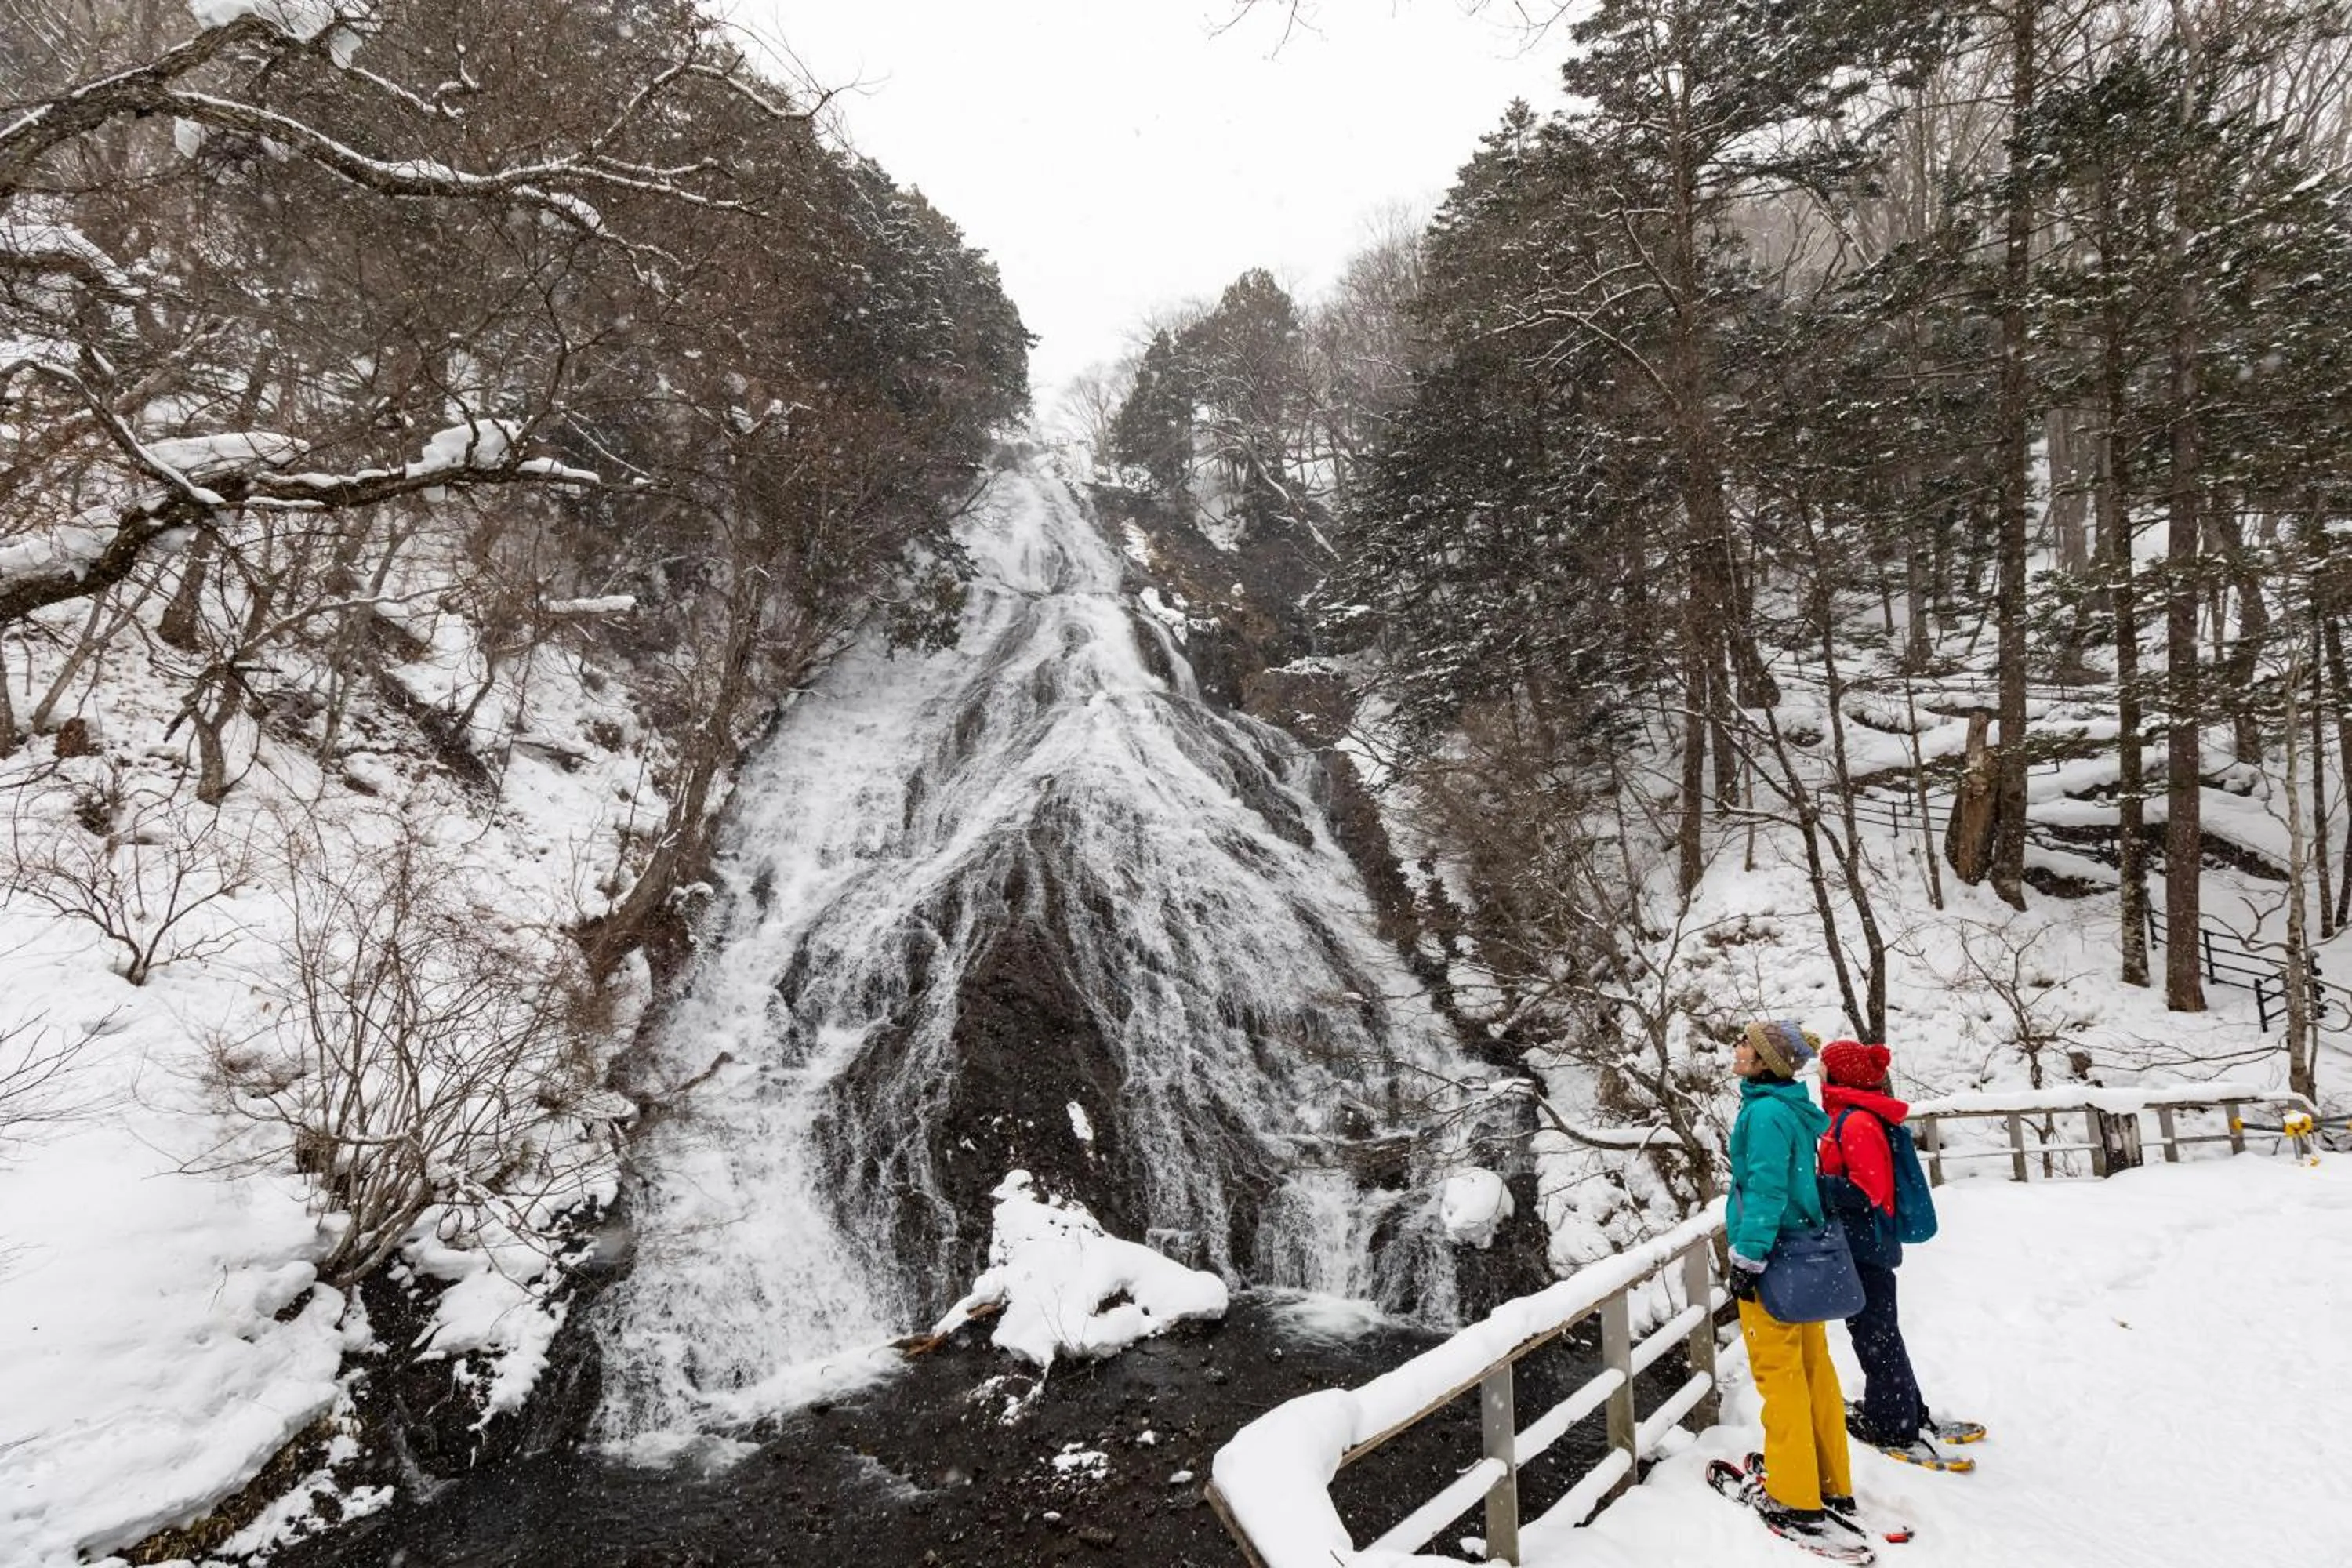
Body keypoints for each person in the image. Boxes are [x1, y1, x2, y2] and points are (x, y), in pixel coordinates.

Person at [1817, 1040, 1984, 1468]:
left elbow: (1868, 1191)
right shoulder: (1852, 1115)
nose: (1818, 1074)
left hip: (1865, 1245)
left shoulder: (1855, 1123)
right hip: (1864, 1243)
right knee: (1879, 1331)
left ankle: (1893, 1423)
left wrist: (1813, 1186)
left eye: (1823, 1068)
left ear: (1839, 1077)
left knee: (1875, 1335)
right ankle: (1905, 1411)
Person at [1725, 1018, 1855, 1541]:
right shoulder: (1795, 1108)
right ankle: (1830, 1481)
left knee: (1779, 1380)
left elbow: (1765, 1188)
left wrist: (1748, 1257)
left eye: (1746, 1046)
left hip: (1775, 1256)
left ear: (1764, 1064)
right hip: (1805, 1252)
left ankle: (1795, 1498)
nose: (1736, 1050)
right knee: (1813, 1371)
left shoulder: (1765, 1115)